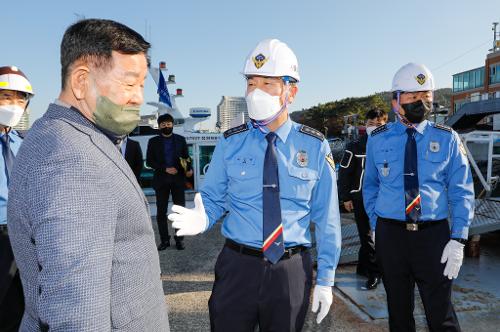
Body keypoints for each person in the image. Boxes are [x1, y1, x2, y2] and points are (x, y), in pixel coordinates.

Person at [7, 19, 170, 331]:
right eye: (129, 83)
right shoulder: (70, 159)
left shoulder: (68, 137)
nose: (138, 97)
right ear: (81, 81)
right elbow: (75, 310)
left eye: (141, 86)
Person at [169, 39, 342, 331]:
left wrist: (326, 279)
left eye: (267, 83)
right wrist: (204, 215)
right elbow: (213, 198)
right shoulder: (230, 141)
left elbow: (328, 219)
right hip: (238, 266)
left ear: (291, 92)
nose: (255, 92)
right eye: (251, 83)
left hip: (290, 270)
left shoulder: (314, 145)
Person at [363, 63, 474, 332]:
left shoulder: (447, 138)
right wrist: (376, 226)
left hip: (433, 237)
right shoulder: (377, 139)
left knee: (441, 314)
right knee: (398, 313)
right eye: (413, 97)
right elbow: (370, 187)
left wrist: (458, 238)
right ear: (396, 101)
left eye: (426, 96)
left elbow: (462, 190)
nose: (421, 103)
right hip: (392, 236)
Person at [338, 108, 387, 290]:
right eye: (371, 124)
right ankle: (374, 273)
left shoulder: (390, 146)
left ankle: (362, 267)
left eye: (379, 124)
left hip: (383, 199)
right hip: (360, 198)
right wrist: (345, 197)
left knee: (378, 235)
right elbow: (344, 174)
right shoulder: (354, 147)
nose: (374, 127)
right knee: (367, 236)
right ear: (365, 125)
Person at [0, 66, 34, 331]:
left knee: (23, 308)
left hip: (23, 234)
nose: (15, 105)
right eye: (6, 97)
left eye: (21, 99)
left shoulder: (23, 142)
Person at [147, 113, 193, 251]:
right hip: (161, 180)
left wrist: (189, 169)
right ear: (159, 126)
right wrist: (165, 169)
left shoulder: (180, 140)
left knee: (180, 211)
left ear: (172, 125)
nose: (166, 126)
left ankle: (179, 240)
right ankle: (164, 240)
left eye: (168, 124)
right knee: (161, 212)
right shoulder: (153, 141)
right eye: (163, 124)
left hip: (178, 180)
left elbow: (186, 157)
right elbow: (149, 162)